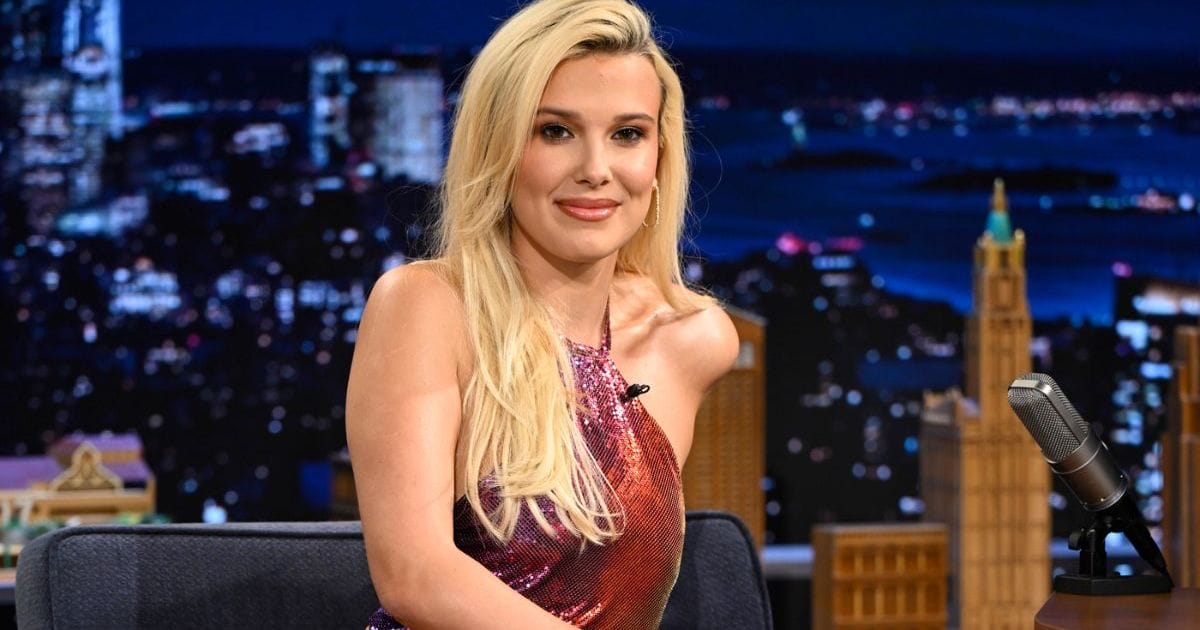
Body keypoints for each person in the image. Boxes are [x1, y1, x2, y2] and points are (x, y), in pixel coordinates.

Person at [345, 0, 739, 627]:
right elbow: (415, 578)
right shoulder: (427, 307)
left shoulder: (693, 340)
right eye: (555, 131)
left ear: (660, 158)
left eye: (628, 134)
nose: (596, 170)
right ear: (498, 148)